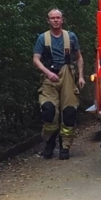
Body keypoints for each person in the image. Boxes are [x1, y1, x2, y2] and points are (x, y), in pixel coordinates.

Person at [33, 9, 86, 159]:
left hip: (67, 74)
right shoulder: (42, 38)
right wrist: (47, 73)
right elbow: (36, 59)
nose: (55, 20)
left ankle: (65, 146)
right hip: (49, 77)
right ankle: (49, 141)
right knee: (48, 110)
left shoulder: (71, 37)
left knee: (69, 112)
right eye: (52, 18)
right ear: (48, 21)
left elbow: (79, 58)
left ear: (62, 20)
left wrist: (81, 77)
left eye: (58, 18)